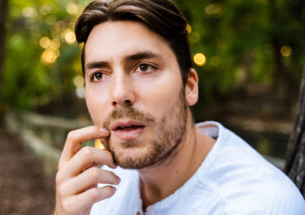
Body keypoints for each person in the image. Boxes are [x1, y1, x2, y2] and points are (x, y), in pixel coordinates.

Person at [54, 0, 305, 214]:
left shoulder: (258, 205)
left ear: (190, 86)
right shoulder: (97, 189)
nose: (119, 94)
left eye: (144, 67)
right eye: (99, 75)